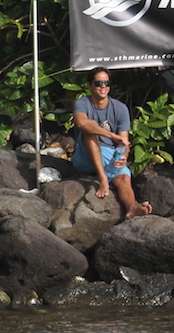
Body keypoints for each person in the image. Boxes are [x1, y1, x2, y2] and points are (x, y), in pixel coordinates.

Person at [72, 67, 152, 219]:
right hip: (84, 156)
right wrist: (112, 136)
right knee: (91, 129)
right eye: (98, 83)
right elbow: (82, 124)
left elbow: (124, 141)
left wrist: (124, 156)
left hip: (109, 154)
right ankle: (103, 179)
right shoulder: (82, 103)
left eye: (106, 83)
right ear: (89, 85)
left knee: (123, 177)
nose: (103, 86)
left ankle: (132, 208)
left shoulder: (120, 108)